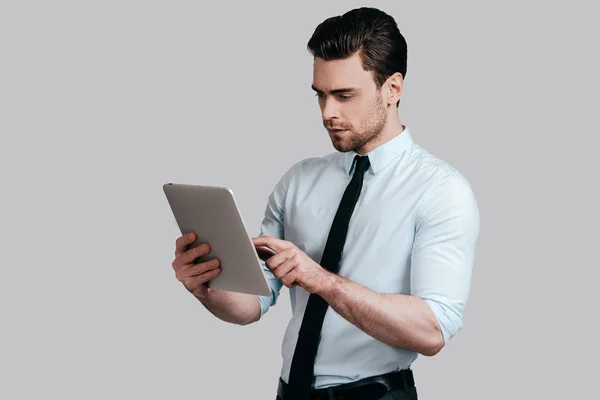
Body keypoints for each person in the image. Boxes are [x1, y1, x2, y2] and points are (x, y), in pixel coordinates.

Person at [171, 7, 480, 400]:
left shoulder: (441, 190)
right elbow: (252, 304)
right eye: (320, 94)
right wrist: (206, 286)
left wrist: (320, 280)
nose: (327, 113)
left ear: (393, 89)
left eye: (344, 95)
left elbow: (432, 330)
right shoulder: (299, 180)